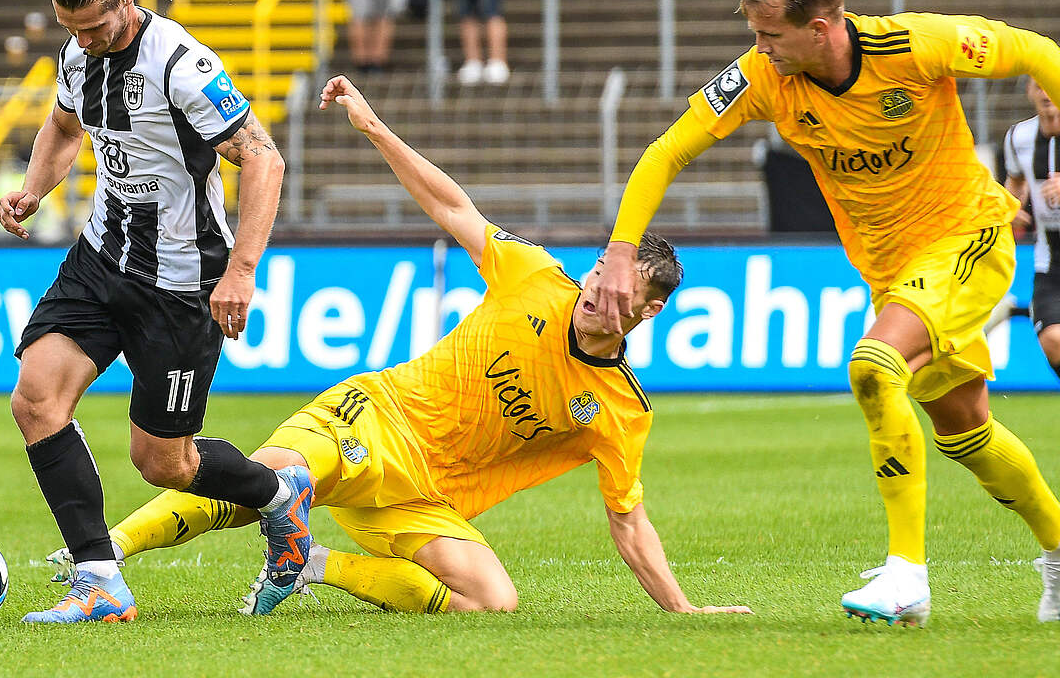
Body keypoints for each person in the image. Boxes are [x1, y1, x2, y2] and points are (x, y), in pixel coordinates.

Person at [46, 75, 752, 619]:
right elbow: (453, 208)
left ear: (650, 310)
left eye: (620, 288)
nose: (601, 288)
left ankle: (308, 564)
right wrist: (376, 127)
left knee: (491, 602)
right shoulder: (537, 277)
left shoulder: (620, 411)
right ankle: (104, 558)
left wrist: (682, 610)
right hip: (375, 418)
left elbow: (628, 521)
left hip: (424, 496)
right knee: (266, 483)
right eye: (603, 268)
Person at [595, 0, 1060, 627]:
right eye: (754, 35)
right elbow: (669, 149)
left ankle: (907, 578)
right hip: (893, 273)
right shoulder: (762, 76)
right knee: (967, 434)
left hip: (969, 239)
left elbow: (1038, 51)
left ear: (823, 26)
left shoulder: (916, 44)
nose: (759, 50)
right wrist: (619, 250)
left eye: (770, 35)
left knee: (874, 365)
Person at [0, 0, 310, 624]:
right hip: (102, 258)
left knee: (164, 463)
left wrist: (242, 271)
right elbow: (63, 127)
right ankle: (100, 583)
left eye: (96, 26)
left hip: (182, 281)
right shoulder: (78, 57)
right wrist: (35, 187)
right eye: (70, 28)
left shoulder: (182, 65)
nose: (83, 40)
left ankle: (279, 493)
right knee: (35, 399)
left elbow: (263, 158)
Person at [1002, 78, 1060, 383]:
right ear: (1029, 91)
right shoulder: (1019, 136)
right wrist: (1008, 208)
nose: (1045, 93)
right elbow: (1016, 183)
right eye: (1039, 86)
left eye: (1052, 84)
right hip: (1051, 262)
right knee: (1053, 341)